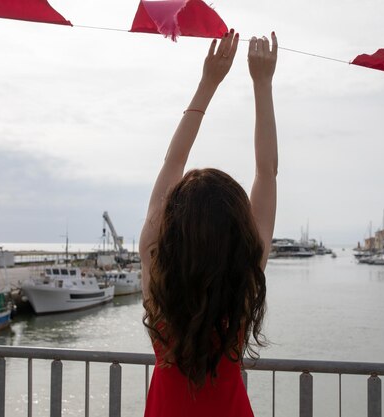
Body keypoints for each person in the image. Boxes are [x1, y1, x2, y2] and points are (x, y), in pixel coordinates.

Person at [139, 28, 278, 417]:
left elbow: (172, 164)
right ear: (239, 231)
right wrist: (262, 84)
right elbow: (266, 173)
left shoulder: (157, 271)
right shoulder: (245, 276)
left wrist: (208, 83)